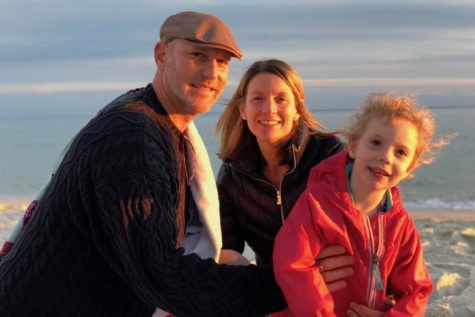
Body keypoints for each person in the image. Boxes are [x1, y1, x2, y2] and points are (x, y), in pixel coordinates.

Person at [0, 11, 287, 317]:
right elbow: (165, 276)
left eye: (222, 63)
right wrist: (289, 285)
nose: (210, 73)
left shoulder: (153, 120)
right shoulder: (134, 138)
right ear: (161, 55)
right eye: (197, 55)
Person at [273, 92, 446, 316]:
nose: (386, 156)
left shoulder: (400, 225)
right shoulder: (317, 204)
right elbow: (293, 265)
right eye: (376, 143)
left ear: (409, 169)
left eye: (400, 152)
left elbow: (417, 289)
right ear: (353, 146)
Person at [215, 59, 353, 292]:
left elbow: (368, 218)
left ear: (297, 109)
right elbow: (226, 248)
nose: (269, 109)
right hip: (273, 289)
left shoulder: (328, 154)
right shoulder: (232, 174)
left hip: (335, 285)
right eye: (257, 98)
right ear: (243, 110)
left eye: (281, 99)